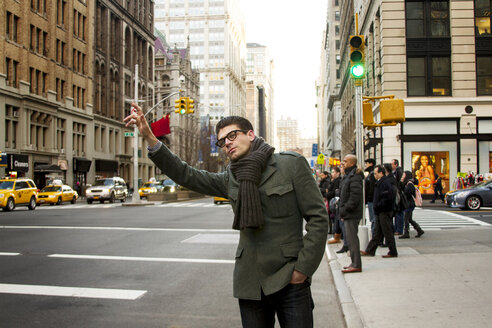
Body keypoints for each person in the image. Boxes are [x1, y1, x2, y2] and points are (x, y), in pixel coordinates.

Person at [124, 104, 328, 328]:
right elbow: (186, 174)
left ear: (250, 134)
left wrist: (302, 270)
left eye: (232, 135)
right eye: (222, 141)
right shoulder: (230, 177)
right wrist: (150, 138)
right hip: (250, 283)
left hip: (289, 278)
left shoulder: (290, 165)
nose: (227, 143)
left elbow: (318, 218)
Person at [361, 164, 398, 258]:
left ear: (381, 173)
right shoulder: (381, 181)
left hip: (384, 211)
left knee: (387, 232)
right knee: (377, 233)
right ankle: (370, 250)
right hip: (380, 211)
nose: (374, 175)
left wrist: (378, 205)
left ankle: (393, 251)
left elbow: (388, 197)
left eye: (376, 173)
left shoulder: (385, 182)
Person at [339, 154, 364, 273]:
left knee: (352, 239)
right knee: (350, 239)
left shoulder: (354, 177)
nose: (343, 163)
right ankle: (354, 263)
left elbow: (354, 198)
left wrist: (344, 210)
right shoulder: (348, 176)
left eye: (345, 161)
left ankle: (356, 264)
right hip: (348, 213)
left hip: (352, 214)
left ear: (352, 163)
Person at [399, 171, 424, 238]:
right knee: (409, 219)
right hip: (409, 203)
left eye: (404, 175)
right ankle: (419, 230)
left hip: (409, 204)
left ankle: (406, 233)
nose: (402, 176)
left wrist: (403, 186)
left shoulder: (409, 184)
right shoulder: (407, 183)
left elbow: (407, 193)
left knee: (406, 219)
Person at [327, 167, 343, 247]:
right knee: (334, 219)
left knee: (336, 219)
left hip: (335, 202)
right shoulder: (333, 181)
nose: (332, 173)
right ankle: (336, 235)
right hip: (333, 202)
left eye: (333, 172)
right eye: (332, 172)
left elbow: (334, 192)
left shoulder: (338, 181)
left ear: (338, 173)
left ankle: (337, 235)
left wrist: (327, 194)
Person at [391, 159, 404, 235]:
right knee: (397, 213)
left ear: (395, 165)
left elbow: (398, 184)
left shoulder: (398, 172)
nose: (391, 165)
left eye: (392, 164)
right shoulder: (395, 172)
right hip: (397, 193)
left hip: (398, 194)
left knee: (399, 213)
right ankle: (397, 229)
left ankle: (399, 229)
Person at [364, 158, 377, 236]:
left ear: (371, 164)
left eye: (367, 163)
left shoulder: (371, 174)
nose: (366, 165)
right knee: (373, 218)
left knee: (373, 219)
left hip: (371, 199)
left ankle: (374, 234)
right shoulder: (369, 173)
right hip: (371, 199)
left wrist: (368, 197)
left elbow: (371, 188)